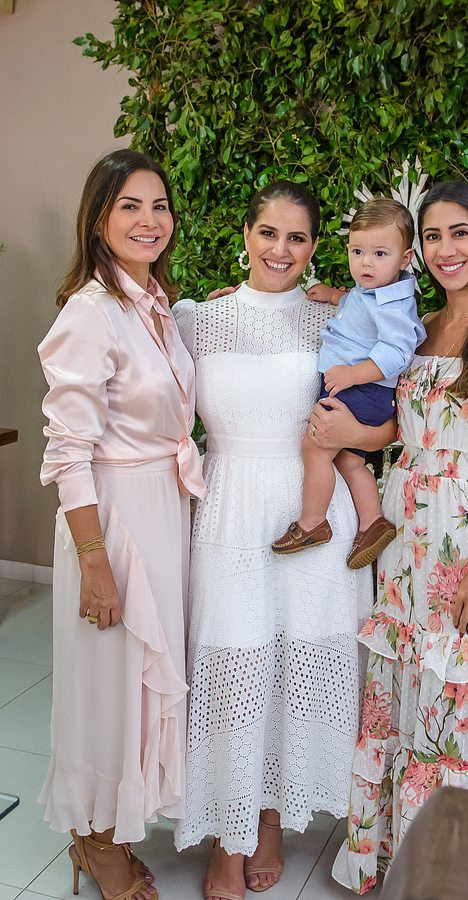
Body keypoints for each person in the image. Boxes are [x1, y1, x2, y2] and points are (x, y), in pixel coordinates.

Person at [330, 180, 468, 897]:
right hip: (407, 541)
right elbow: (397, 432)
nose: (445, 249)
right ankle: (396, 860)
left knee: (460, 699)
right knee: (403, 691)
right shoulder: (417, 327)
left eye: (459, 232)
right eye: (431, 236)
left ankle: (456, 872)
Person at [172, 181, 385, 900]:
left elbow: (386, 413)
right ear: (245, 234)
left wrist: (358, 434)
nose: (280, 249)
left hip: (312, 512)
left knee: (295, 667)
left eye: (297, 238)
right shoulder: (197, 319)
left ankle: (268, 820)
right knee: (235, 665)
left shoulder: (339, 320)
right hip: (230, 508)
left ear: (315, 247)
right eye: (268, 232)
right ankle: (227, 833)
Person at [38, 149, 205, 900]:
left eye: (159, 205)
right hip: (111, 519)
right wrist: (95, 562)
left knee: (137, 686)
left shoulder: (155, 305)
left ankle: (116, 826)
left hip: (161, 510)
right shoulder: (90, 311)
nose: (149, 220)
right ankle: (94, 840)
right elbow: (68, 452)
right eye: (130, 205)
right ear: (99, 219)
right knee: (105, 685)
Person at [272, 198, 425, 569]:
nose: (366, 262)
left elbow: (397, 353)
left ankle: (312, 523)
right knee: (348, 460)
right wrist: (335, 296)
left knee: (315, 447)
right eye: (358, 252)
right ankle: (372, 522)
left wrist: (353, 375)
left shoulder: (393, 305)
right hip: (363, 390)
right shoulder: (375, 292)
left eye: (379, 253)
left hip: (361, 388)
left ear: (405, 259)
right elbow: (361, 309)